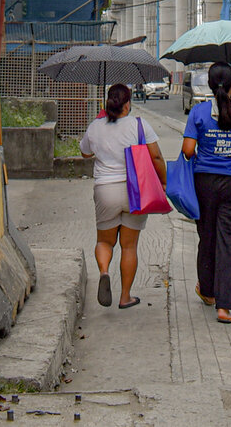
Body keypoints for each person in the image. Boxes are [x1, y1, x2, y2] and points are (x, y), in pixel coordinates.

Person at [181, 62, 231, 324]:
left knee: (208, 236)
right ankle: (224, 309)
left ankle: (207, 291)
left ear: (211, 85)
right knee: (230, 244)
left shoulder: (199, 112)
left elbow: (188, 150)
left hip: (205, 183)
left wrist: (208, 142)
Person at [80, 83, 167, 309]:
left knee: (104, 241)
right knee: (129, 246)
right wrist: (163, 182)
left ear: (108, 103)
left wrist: (100, 123)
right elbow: (156, 157)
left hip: (105, 190)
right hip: (134, 191)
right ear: (127, 104)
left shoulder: (95, 126)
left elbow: (85, 152)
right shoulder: (139, 125)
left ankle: (104, 271)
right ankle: (125, 296)